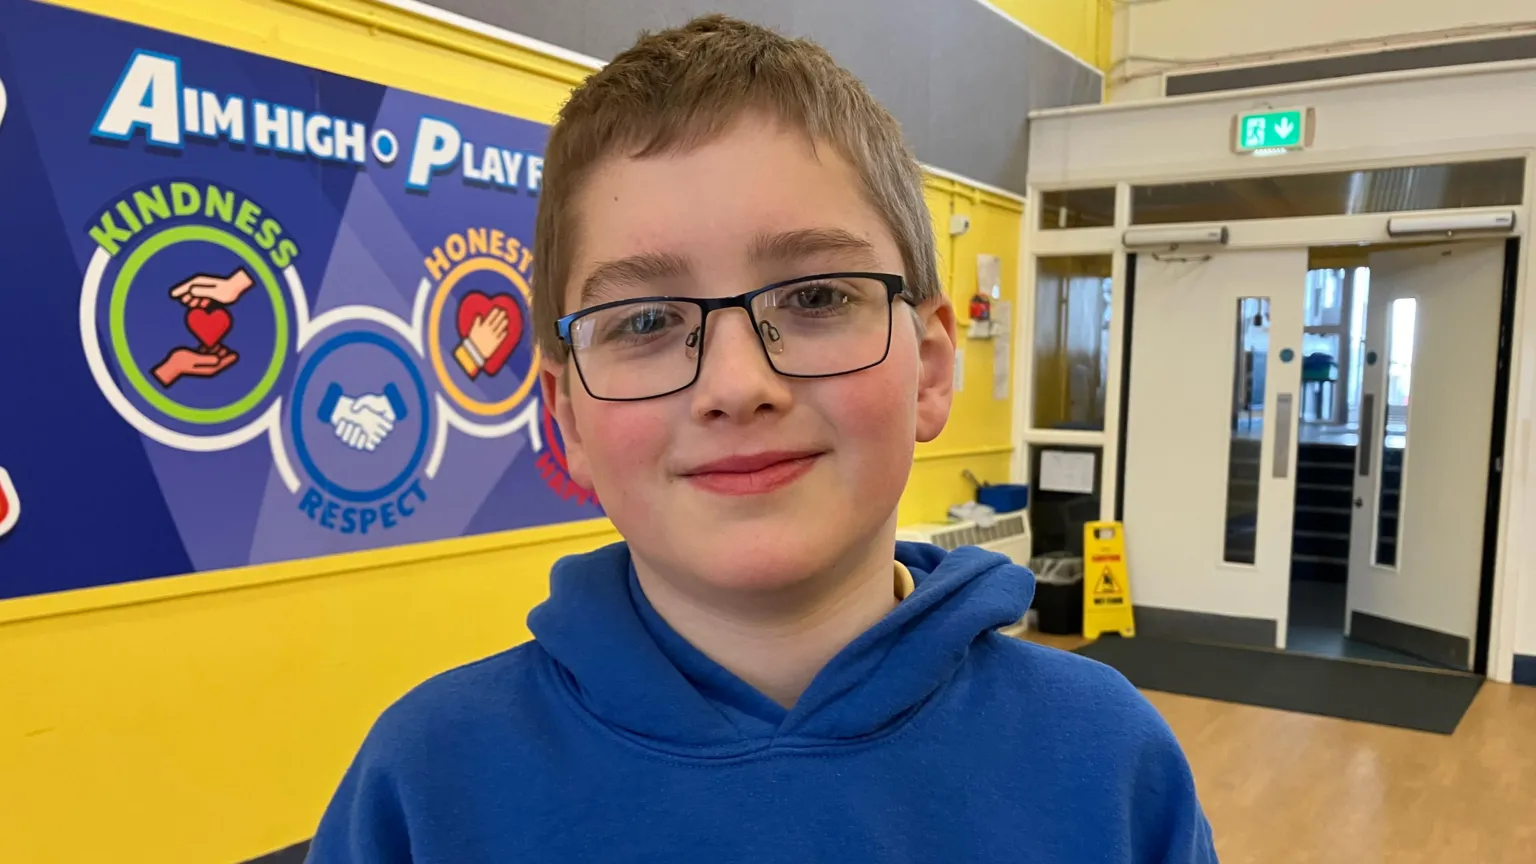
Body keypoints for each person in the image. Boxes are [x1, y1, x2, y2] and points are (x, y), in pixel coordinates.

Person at [307, 15, 1217, 863]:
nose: (737, 386)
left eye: (816, 298)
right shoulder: (426, 788)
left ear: (931, 369)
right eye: (647, 319)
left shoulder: (1104, 763)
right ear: (569, 414)